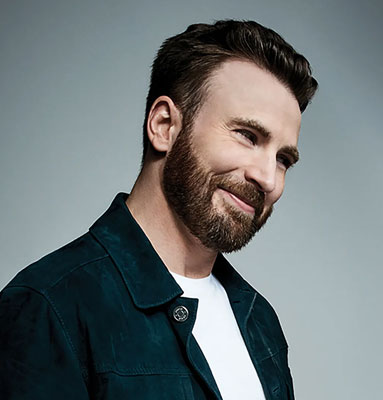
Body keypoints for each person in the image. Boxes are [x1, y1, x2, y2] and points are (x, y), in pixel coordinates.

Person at [0, 20, 317, 400]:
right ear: (164, 126)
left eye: (283, 159)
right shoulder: (49, 306)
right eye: (247, 136)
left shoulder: (260, 321)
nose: (267, 178)